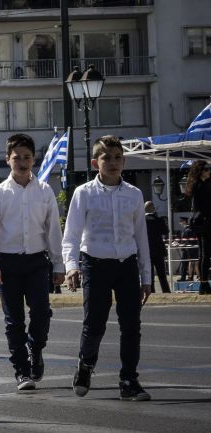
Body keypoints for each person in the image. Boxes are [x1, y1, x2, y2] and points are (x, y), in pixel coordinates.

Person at [63, 135, 152, 401]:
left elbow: (141, 237)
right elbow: (72, 233)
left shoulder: (134, 194)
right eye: (106, 158)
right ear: (95, 162)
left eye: (117, 158)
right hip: (95, 263)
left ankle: (129, 380)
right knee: (94, 323)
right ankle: (86, 364)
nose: (112, 163)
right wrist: (71, 266)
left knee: (131, 326)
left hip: (126, 265)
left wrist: (146, 277)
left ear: (124, 161)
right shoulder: (84, 193)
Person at [0, 133, 64, 392]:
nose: (22, 162)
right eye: (17, 158)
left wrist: (59, 265)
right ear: (8, 160)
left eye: (27, 157)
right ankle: (21, 371)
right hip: (7, 264)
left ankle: (35, 348)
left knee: (41, 313)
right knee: (13, 320)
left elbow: (53, 230)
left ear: (34, 160)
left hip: (37, 262)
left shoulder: (45, 191)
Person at [183, 160, 211, 295]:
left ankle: (203, 283)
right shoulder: (204, 185)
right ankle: (204, 284)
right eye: (206, 169)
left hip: (198, 221)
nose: (209, 171)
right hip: (205, 221)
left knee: (203, 254)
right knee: (206, 254)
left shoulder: (195, 184)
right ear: (200, 171)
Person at [144, 202, 171, 294]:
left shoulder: (142, 220)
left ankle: (151, 290)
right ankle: (166, 290)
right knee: (162, 274)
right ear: (153, 208)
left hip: (146, 250)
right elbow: (166, 231)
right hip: (159, 250)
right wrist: (158, 217)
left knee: (149, 273)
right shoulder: (159, 219)